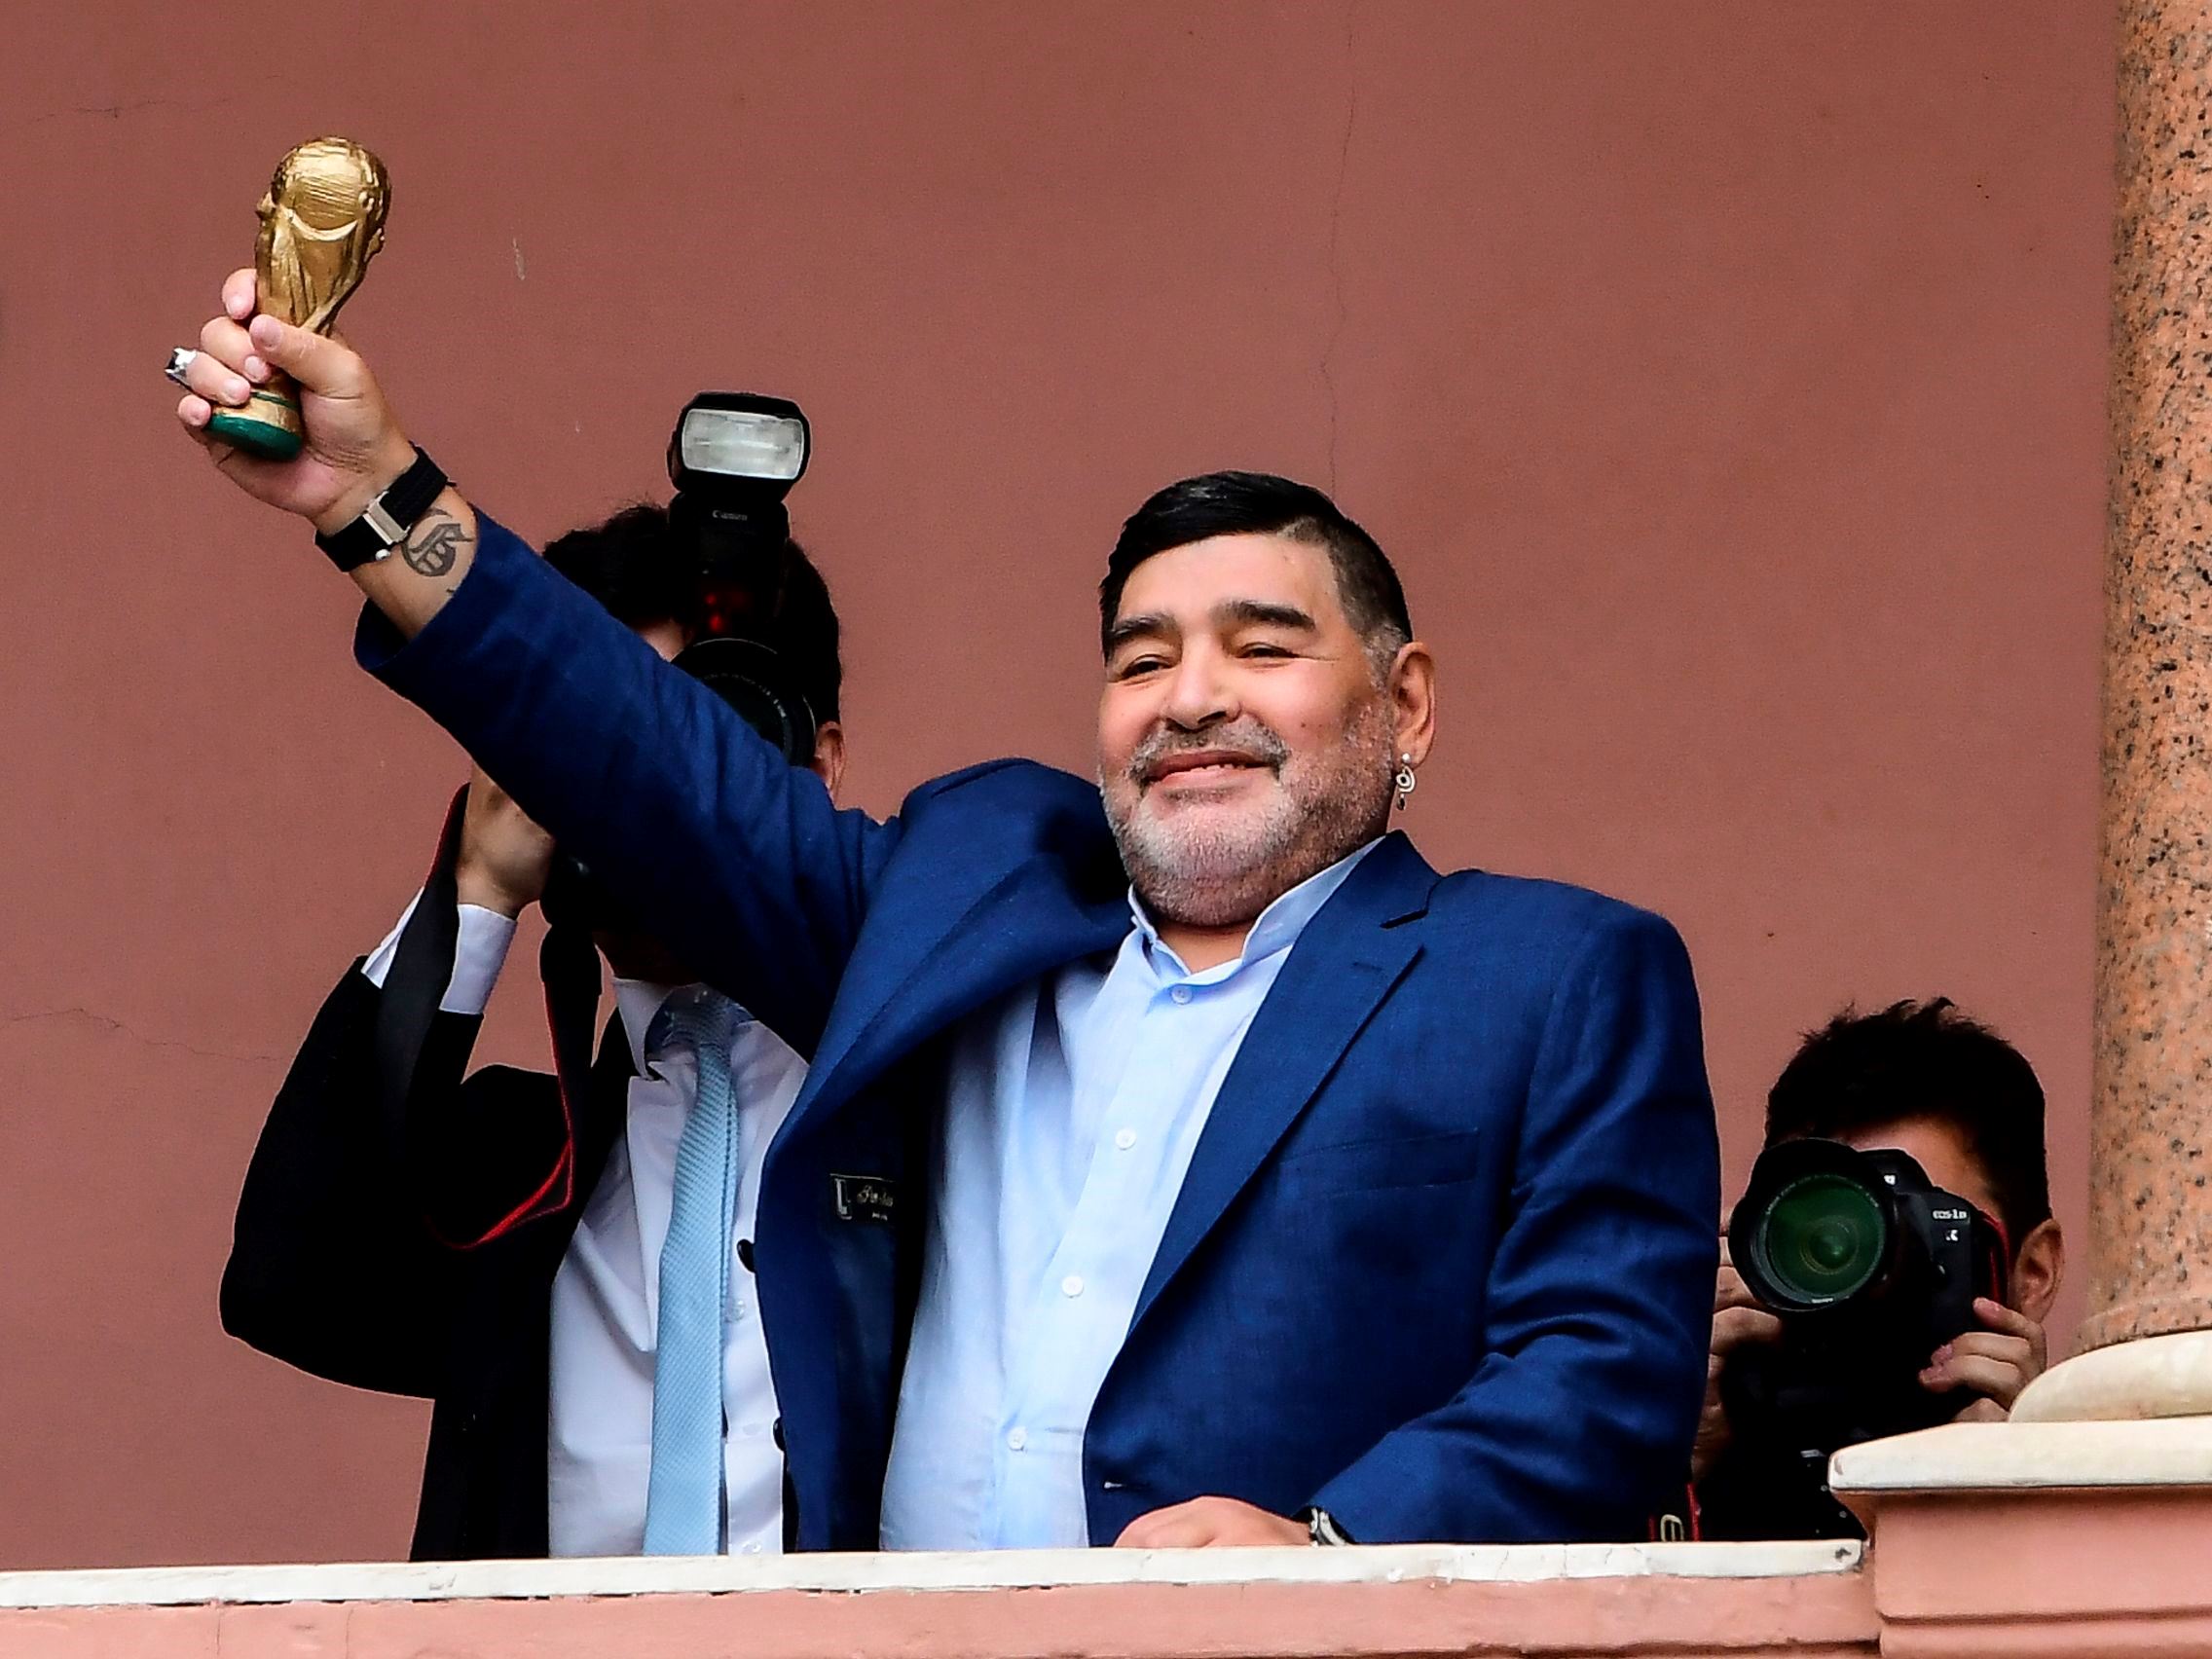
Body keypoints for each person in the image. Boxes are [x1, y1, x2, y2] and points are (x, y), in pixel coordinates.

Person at [174, 271, 1721, 1550]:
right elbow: (641, 755)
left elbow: (1606, 1375)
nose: (1190, 698)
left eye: (1261, 649)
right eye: (1139, 658)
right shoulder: (964, 920)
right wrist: (375, 496)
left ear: (1407, 704)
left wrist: (1329, 1546)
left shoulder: (1554, 971)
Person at [220, 503, 850, 1561]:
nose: (651, 796)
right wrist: (476, 889)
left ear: (814, 765)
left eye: (694, 741)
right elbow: (295, 1282)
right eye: (603, 744)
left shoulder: (931, 1108)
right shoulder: (523, 1166)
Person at [1688, 998, 2065, 1538]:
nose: (1860, 1272)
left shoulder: (2105, 1491)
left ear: (2033, 1272)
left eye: (1909, 1226)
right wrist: (1674, 1459)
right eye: (1815, 1235)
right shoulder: (1701, 1451)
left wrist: (2039, 1490)